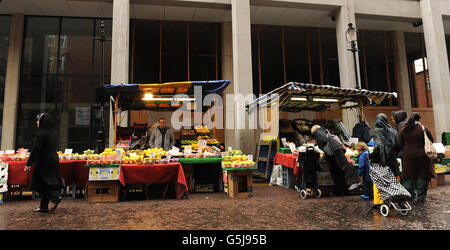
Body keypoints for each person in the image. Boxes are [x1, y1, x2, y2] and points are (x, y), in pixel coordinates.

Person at [24, 113, 63, 213]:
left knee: (37, 184)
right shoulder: (53, 133)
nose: (37, 122)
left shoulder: (40, 133)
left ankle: (54, 197)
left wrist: (28, 164)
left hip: (43, 161)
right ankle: (43, 206)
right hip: (53, 159)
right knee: (46, 184)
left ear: (42, 122)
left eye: (38, 120)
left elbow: (35, 149)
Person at [311, 125, 361, 196]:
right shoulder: (323, 131)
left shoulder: (318, 131)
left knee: (344, 165)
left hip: (335, 149)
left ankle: (355, 181)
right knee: (335, 171)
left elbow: (324, 140)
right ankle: (340, 191)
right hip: (334, 151)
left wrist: (319, 144)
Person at [398, 112, 436, 203]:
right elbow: (431, 140)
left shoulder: (403, 130)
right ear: (419, 119)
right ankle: (421, 197)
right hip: (422, 157)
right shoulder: (423, 129)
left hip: (408, 157)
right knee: (422, 176)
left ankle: (410, 196)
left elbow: (400, 143)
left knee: (408, 176)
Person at [370, 113, 400, 206]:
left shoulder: (377, 131)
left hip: (381, 162)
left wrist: (372, 155)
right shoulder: (394, 131)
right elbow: (398, 147)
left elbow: (378, 147)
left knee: (378, 180)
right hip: (393, 161)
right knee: (394, 181)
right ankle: (393, 200)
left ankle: (379, 202)